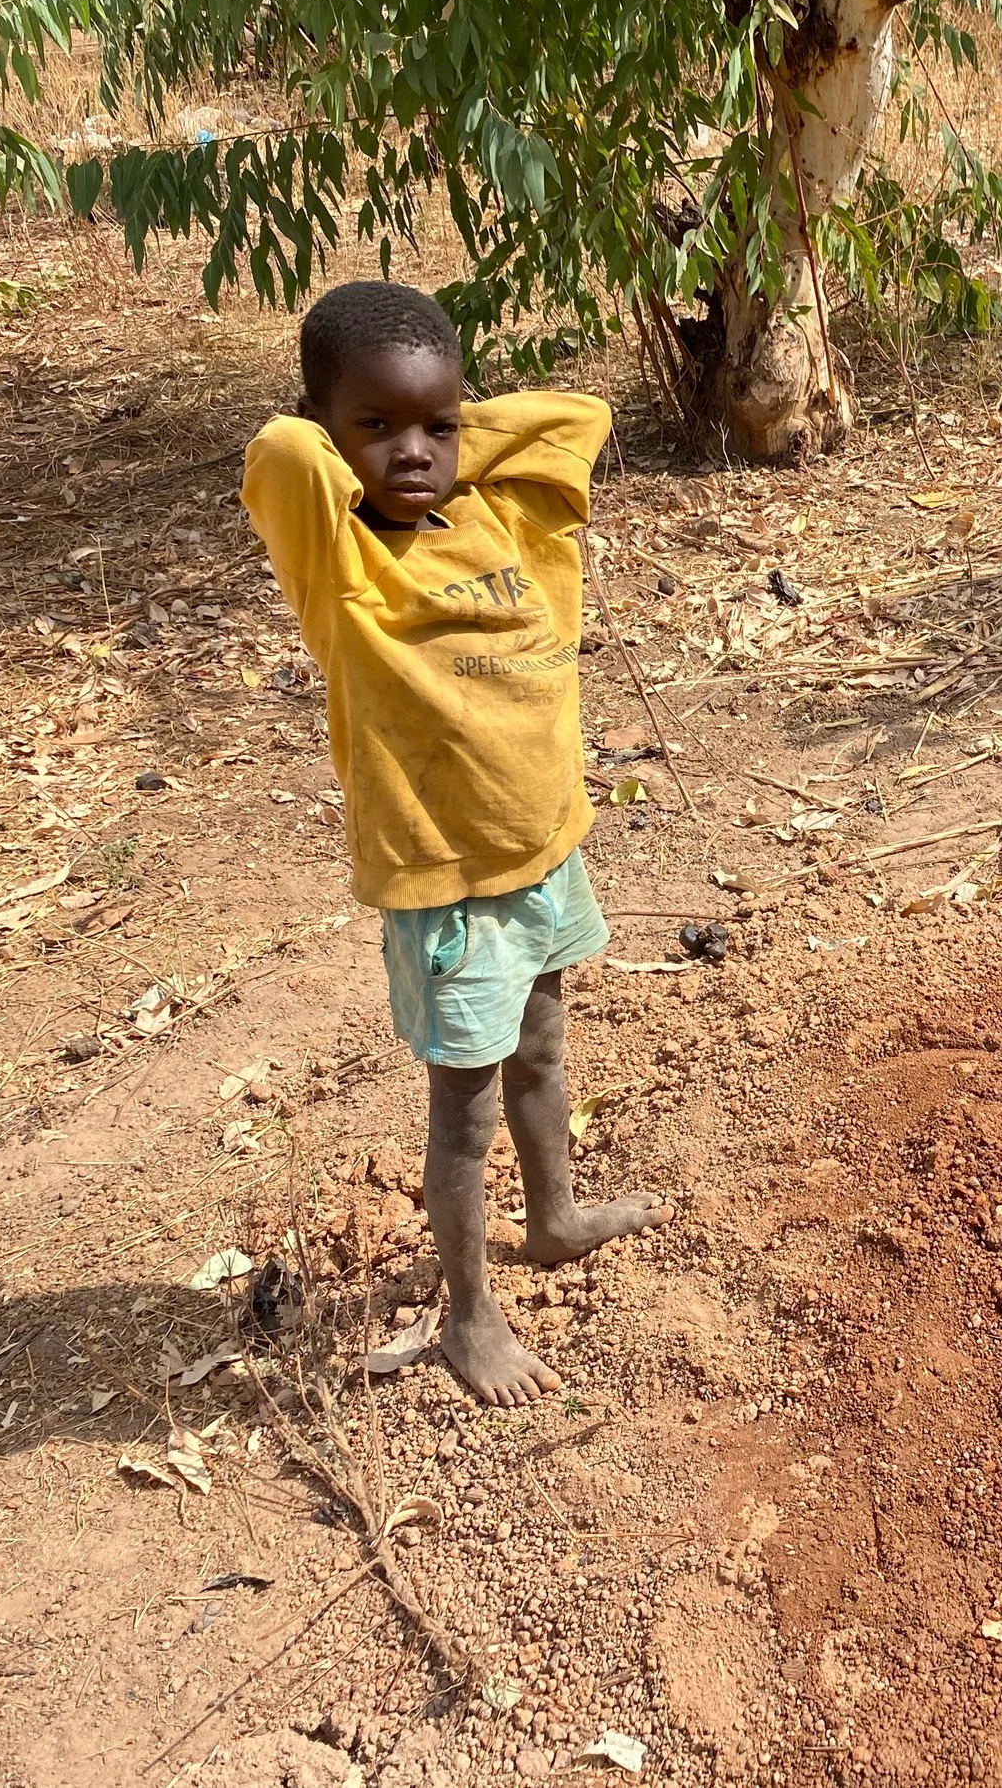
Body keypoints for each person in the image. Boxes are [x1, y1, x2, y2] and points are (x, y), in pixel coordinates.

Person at [241, 281, 670, 1406]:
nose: (414, 451)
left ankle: (556, 1219)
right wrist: (356, 448)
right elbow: (282, 449)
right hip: (449, 889)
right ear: (332, 439)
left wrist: (440, 437)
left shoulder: (503, 519)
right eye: (374, 428)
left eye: (440, 423)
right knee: (465, 1110)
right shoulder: (339, 565)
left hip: (541, 853)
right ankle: (468, 1313)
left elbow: (576, 417)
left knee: (542, 1048)